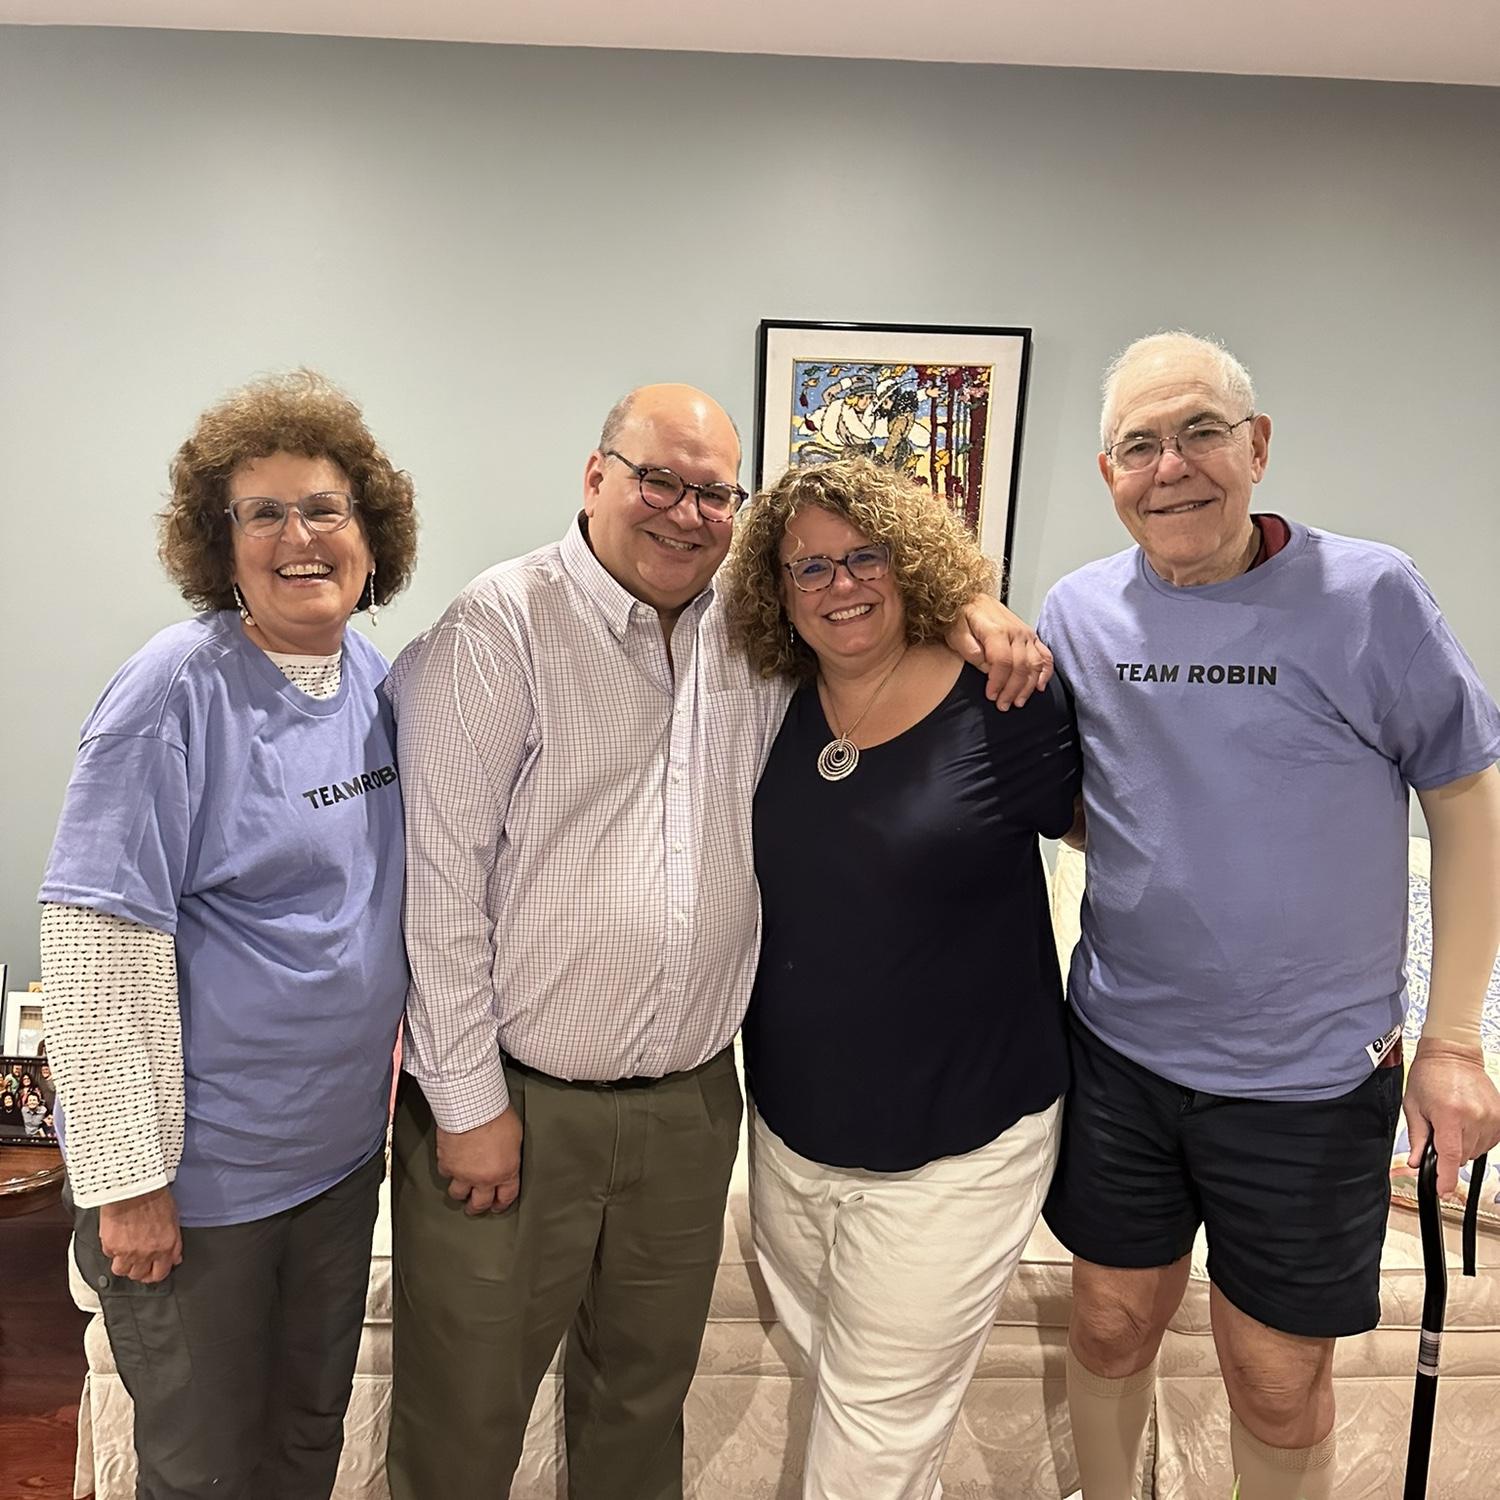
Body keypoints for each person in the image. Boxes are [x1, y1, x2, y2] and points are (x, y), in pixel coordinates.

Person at [385, 383, 1050, 1500]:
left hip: (692, 1108)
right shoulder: (498, 629)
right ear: (595, 478)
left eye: (714, 494)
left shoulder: (754, 636)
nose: (686, 513)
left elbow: (871, 618)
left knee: (642, 1405)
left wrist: (971, 609)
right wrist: (465, 1105)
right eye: (659, 480)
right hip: (520, 1104)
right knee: (466, 1418)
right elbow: (439, 891)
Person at [1040, 332, 1500, 1500]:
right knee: (1107, 1322)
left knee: (1278, 1379)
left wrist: (1451, 1042)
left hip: (1311, 1079)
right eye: (1139, 445)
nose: (1172, 467)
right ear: (1108, 474)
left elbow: (1465, 797)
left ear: (1256, 446)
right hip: (1122, 1055)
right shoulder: (1077, 613)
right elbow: (1088, 798)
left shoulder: (1370, 596)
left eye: (1200, 431)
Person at [38, 370, 418, 1500]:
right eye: (264, 514)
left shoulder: (373, 681)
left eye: (325, 509)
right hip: (204, 1185)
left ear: (371, 534)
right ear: (223, 543)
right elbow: (97, 945)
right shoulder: (171, 692)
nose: (300, 538)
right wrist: (127, 1183)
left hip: (336, 1164)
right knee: (204, 1473)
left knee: (306, 1442)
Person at [718, 456, 1081, 1499]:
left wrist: (980, 612)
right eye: (810, 567)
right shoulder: (768, 703)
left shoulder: (1004, 697)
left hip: (959, 1140)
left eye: (866, 556)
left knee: (871, 1438)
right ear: (779, 591)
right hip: (793, 1136)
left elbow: (1115, 836)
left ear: (908, 561)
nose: (841, 585)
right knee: (851, 1390)